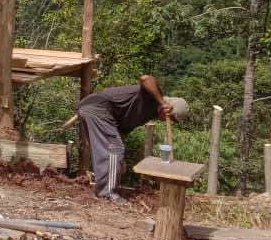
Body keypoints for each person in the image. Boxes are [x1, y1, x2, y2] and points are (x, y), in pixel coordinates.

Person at [77, 74, 189, 204]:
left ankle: (106, 191)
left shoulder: (144, 115)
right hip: (97, 107)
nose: (167, 120)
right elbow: (146, 78)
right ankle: (107, 195)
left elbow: (121, 133)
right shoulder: (151, 98)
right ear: (169, 109)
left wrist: (120, 158)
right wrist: (163, 102)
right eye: (172, 118)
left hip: (93, 110)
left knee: (113, 150)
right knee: (113, 150)